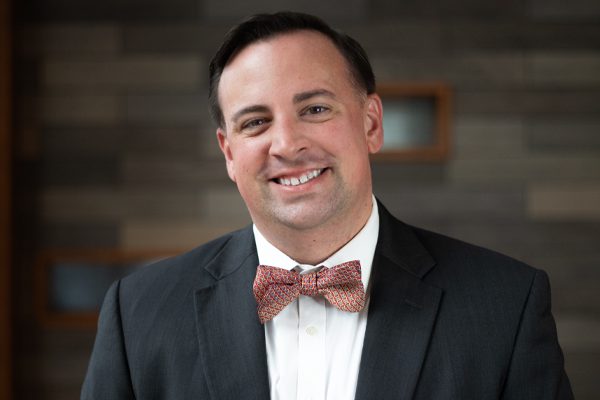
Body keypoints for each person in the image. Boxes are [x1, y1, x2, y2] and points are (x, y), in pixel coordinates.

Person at [81, 11, 573, 400]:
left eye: (315, 109)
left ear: (371, 124)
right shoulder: (138, 314)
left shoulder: (507, 307)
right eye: (255, 122)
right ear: (228, 153)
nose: (287, 144)